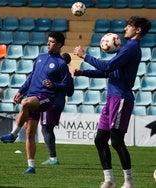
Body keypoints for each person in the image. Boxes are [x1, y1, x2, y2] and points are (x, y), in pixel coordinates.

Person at [73, 16, 151, 188]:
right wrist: (84, 73)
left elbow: (107, 67)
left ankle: (129, 182)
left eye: (129, 26)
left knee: (116, 141)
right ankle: (109, 180)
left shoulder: (131, 48)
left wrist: (85, 56)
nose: (125, 29)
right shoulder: (128, 48)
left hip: (121, 98)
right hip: (112, 98)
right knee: (100, 140)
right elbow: (109, 73)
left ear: (137, 30)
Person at [0, 32, 69, 174]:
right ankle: (31, 166)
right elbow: (31, 77)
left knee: (25, 103)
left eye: (52, 42)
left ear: (59, 45)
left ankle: (13, 134)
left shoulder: (61, 64)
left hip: (46, 97)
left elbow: (67, 86)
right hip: (32, 95)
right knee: (30, 133)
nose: (48, 43)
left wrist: (54, 84)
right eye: (48, 41)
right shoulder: (40, 57)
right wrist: (21, 90)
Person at [41, 53, 74, 165]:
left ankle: (53, 158)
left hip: (50, 102)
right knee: (48, 129)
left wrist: (54, 85)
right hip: (60, 103)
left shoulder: (54, 72)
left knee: (46, 129)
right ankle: (53, 158)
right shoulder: (68, 75)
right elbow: (70, 93)